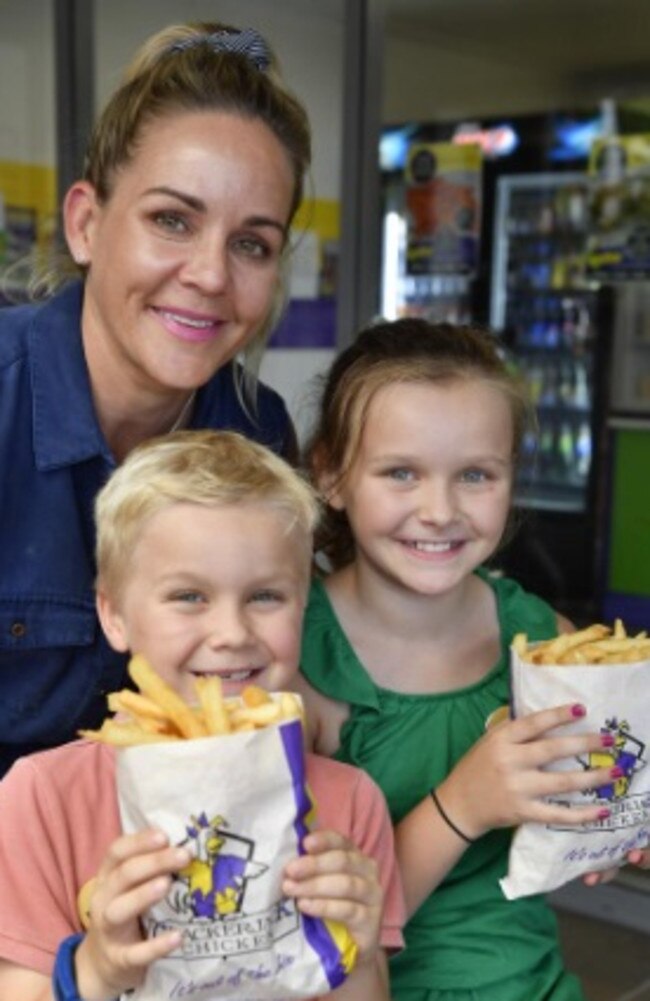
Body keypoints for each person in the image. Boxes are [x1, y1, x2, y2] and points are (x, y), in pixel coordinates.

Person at [295, 317, 649, 1001]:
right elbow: (311, 924)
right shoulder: (297, 659)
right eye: (401, 472)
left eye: (476, 475)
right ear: (332, 474)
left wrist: (614, 822)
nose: (440, 509)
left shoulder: (545, 635)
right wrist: (463, 803)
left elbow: (601, 791)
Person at [0, 20, 312, 776]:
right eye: (172, 219)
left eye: (252, 243)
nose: (210, 273)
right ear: (86, 223)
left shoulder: (258, 432)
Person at [0, 429, 405, 1001]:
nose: (232, 634)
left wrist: (357, 950)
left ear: (304, 606)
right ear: (114, 615)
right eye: (189, 596)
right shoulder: (40, 799)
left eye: (266, 596)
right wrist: (96, 969)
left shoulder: (351, 804)